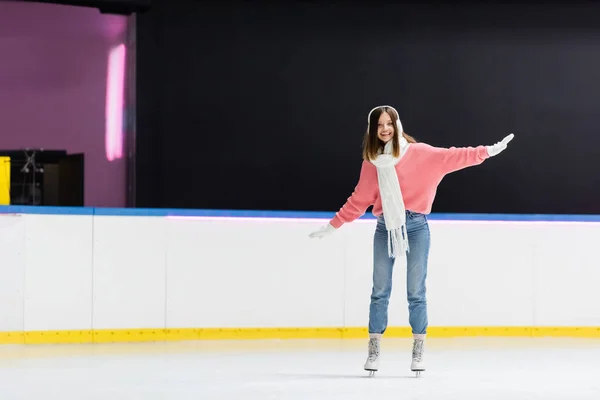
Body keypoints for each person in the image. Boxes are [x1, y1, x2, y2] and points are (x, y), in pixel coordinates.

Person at [308, 105, 514, 376]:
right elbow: (359, 200)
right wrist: (333, 225)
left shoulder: (420, 154)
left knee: (416, 292)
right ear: (372, 129)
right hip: (385, 228)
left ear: (397, 124)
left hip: (417, 227)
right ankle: (374, 348)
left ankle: (418, 349)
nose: (384, 129)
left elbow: (455, 156)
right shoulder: (372, 162)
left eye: (389, 123)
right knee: (379, 291)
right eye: (379, 125)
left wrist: (487, 151)